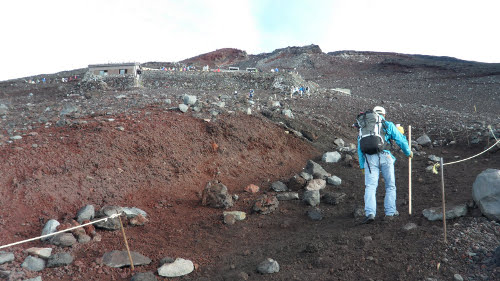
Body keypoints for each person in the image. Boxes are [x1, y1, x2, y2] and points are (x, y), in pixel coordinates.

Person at [358, 106, 413, 224]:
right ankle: (390, 212)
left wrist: (362, 166)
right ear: (383, 114)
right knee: (390, 186)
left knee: (370, 187)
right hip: (385, 157)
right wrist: (408, 152)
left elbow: (359, 147)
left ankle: (370, 213)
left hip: (369, 159)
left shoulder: (365, 126)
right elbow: (400, 139)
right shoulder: (387, 124)